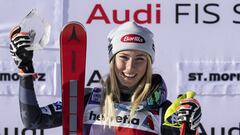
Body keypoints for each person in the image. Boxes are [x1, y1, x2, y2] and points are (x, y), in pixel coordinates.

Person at [9, 22, 201, 135]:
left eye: (140, 59)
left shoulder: (164, 110)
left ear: (149, 63)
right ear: (112, 60)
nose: (129, 67)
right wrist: (25, 70)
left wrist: (188, 129)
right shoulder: (86, 99)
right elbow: (33, 121)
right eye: (123, 58)